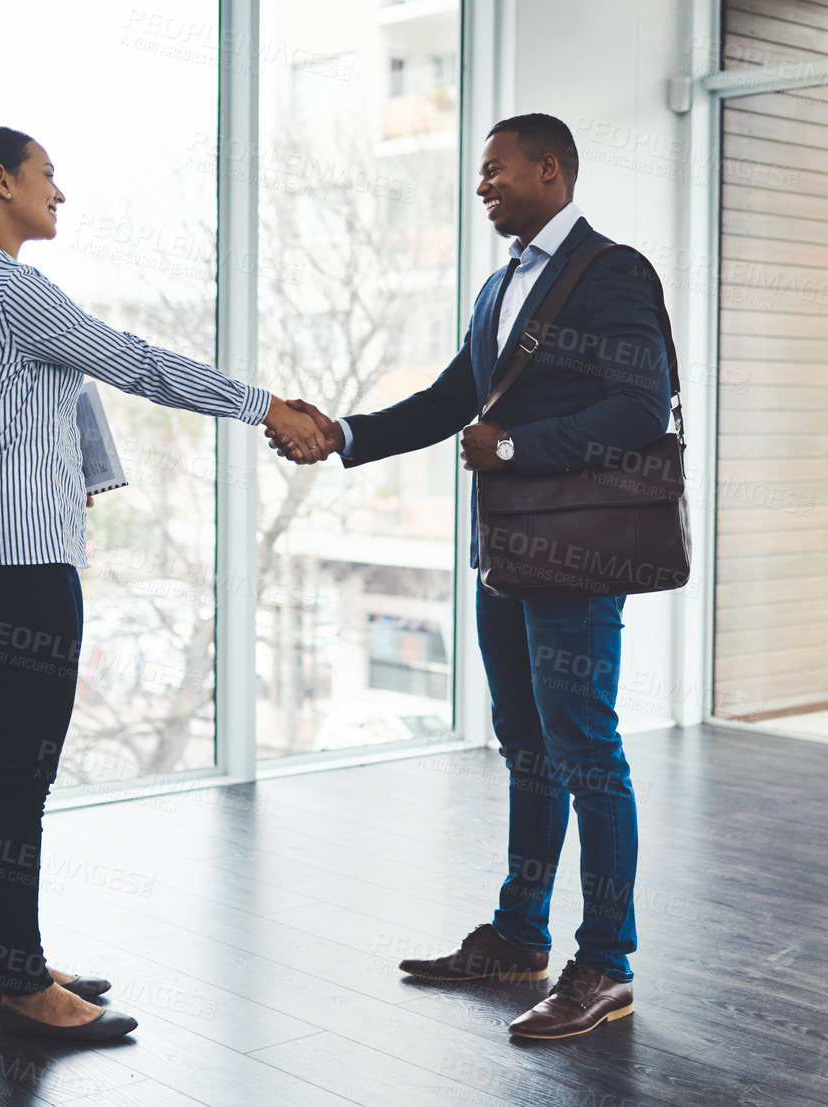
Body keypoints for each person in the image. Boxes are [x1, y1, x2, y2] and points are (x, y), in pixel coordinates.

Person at [0, 124, 326, 1041]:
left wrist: (2, 470)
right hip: (22, 570)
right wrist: (267, 405)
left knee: (11, 775)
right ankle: (18, 980)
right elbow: (131, 360)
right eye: (48, 175)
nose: (61, 192)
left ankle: (4, 956)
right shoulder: (9, 286)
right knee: (21, 780)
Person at [268, 113, 672, 1039]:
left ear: (550, 168)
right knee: (526, 751)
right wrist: (345, 435)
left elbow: (641, 407)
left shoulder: (612, 272)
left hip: (573, 557)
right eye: (479, 174)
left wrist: (520, 443)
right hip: (506, 556)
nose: (482, 185)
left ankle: (605, 964)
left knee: (587, 754)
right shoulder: (501, 286)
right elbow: (458, 398)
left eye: (496, 171)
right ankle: (519, 934)